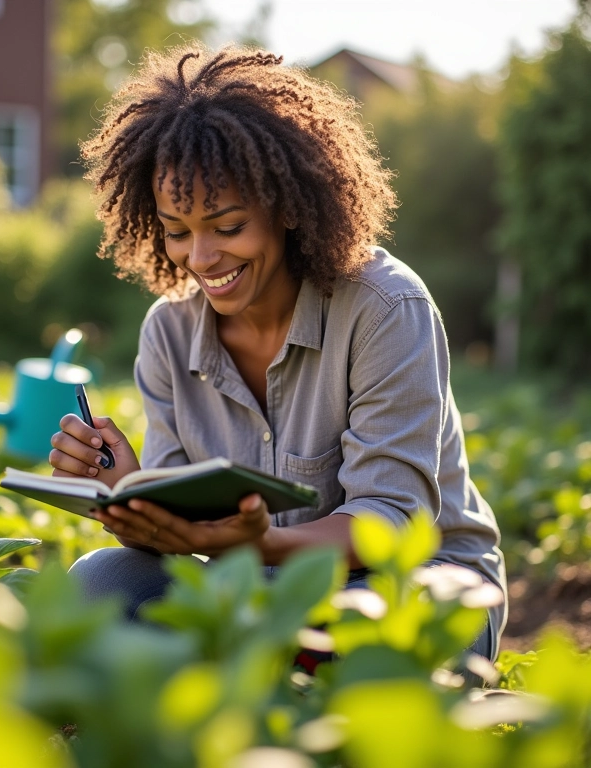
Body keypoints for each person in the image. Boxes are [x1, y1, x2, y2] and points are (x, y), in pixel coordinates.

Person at [49, 44, 507, 664]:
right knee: (99, 581)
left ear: (288, 205)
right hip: (255, 584)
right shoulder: (169, 333)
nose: (200, 258)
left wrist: (254, 544)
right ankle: (264, 662)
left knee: (375, 631)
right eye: (177, 231)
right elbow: (182, 532)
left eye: (228, 226)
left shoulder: (385, 309)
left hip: (406, 581)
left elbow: (391, 523)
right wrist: (129, 493)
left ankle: (254, 666)